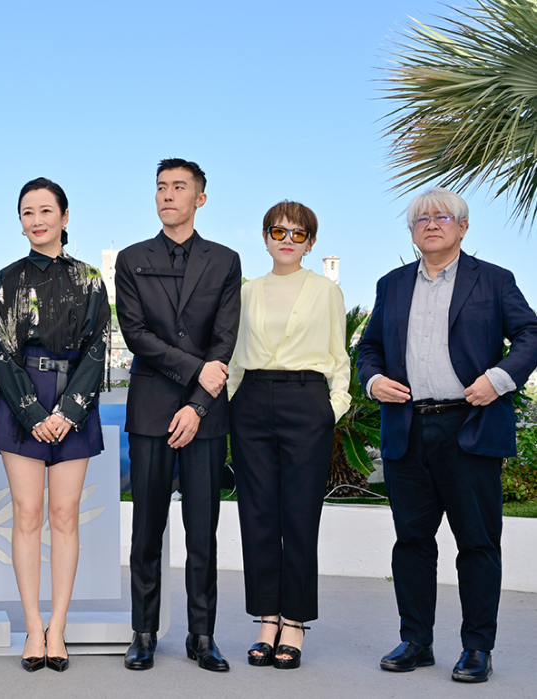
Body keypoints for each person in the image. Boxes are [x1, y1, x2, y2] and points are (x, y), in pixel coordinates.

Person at [357, 187, 537, 683]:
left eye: (443, 217)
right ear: (412, 233)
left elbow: (531, 335)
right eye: (421, 219)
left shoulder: (495, 280)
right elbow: (368, 347)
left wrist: (498, 380)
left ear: (462, 227)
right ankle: (416, 640)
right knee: (412, 541)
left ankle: (478, 647)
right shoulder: (391, 285)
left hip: (470, 426)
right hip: (407, 428)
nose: (431, 224)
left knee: (477, 544)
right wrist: (373, 380)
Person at [115, 158, 241, 672]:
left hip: (206, 414)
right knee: (146, 529)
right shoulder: (131, 259)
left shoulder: (226, 260)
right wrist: (197, 373)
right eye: (161, 187)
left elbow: (226, 338)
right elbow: (136, 335)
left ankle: (202, 634)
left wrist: (197, 404)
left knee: (202, 531)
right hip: (149, 410)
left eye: (179, 187)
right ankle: (143, 633)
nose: (168, 195)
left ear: (200, 199)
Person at [0, 178, 109, 672]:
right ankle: (33, 628)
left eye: (44, 211)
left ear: (64, 216)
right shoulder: (5, 281)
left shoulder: (90, 279)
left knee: (65, 513)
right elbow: (0, 352)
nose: (35, 220)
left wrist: (68, 413)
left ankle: (59, 628)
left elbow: (97, 349)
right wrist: (34, 414)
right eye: (26, 212)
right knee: (28, 513)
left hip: (74, 403)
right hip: (21, 404)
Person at [226, 201, 350, 669]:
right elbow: (236, 359)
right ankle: (267, 619)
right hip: (253, 402)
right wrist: (234, 405)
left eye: (298, 235)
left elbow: (339, 359)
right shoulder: (247, 291)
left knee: (299, 516)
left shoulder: (325, 292)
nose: (287, 240)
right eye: (278, 231)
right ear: (264, 237)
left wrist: (328, 411)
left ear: (311, 243)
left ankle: (295, 623)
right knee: (258, 516)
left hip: (306, 400)